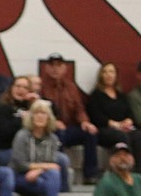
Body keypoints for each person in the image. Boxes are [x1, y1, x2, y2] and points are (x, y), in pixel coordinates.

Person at [39, 53, 100, 184]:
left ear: (65, 68)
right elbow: (38, 110)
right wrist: (52, 122)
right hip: (50, 129)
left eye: (59, 65)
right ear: (46, 68)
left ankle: (91, 175)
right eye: (52, 65)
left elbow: (79, 108)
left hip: (69, 128)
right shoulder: (41, 87)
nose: (55, 69)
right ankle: (61, 175)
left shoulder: (71, 87)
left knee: (90, 134)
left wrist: (85, 122)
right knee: (58, 135)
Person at [87, 62, 141, 170]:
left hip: (123, 127)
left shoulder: (121, 95)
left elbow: (130, 113)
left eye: (111, 72)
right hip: (105, 130)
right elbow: (96, 116)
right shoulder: (96, 95)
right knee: (122, 136)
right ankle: (126, 170)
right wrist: (115, 124)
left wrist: (128, 121)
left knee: (138, 136)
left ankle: (139, 173)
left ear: (116, 75)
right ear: (101, 75)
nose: (108, 75)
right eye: (105, 72)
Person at [9, 99, 63, 196]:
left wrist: (38, 170)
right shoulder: (22, 135)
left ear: (49, 117)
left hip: (40, 175)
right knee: (47, 180)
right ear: (31, 117)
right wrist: (43, 167)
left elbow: (53, 163)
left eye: (43, 113)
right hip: (21, 175)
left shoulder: (53, 138)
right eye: (36, 113)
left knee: (52, 175)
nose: (40, 116)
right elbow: (20, 163)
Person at [0, 76, 39, 163]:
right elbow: (2, 133)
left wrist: (36, 105)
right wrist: (21, 119)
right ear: (11, 88)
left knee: (61, 159)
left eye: (25, 88)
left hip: (32, 148)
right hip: (8, 149)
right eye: (18, 86)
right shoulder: (2, 108)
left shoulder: (32, 108)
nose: (21, 90)